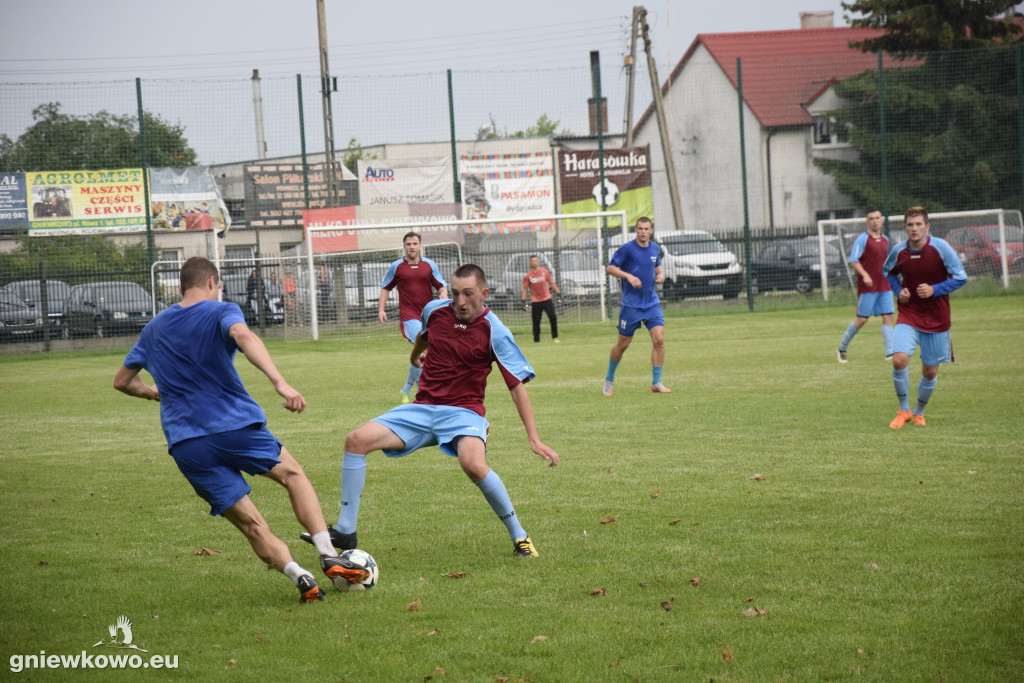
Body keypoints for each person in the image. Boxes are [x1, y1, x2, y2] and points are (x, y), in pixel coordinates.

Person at [113, 256, 361, 602]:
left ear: (183, 285)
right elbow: (243, 335)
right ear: (212, 281)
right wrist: (280, 382)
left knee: (251, 524)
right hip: (234, 426)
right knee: (293, 476)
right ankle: (325, 552)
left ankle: (299, 576)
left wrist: (152, 392)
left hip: (187, 444)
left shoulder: (153, 329)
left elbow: (122, 381)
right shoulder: (220, 310)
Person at [310, 264, 558, 558]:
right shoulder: (435, 310)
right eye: (455, 293)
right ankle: (346, 531)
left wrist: (534, 438)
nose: (460, 301)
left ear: (484, 293)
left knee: (473, 464)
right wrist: (415, 357)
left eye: (467, 294)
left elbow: (516, 386)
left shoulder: (496, 331)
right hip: (422, 408)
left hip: (464, 413)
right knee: (356, 440)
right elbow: (424, 336)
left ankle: (520, 537)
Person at [882, 207, 967, 428]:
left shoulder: (941, 248)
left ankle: (919, 412)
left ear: (927, 227)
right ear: (905, 228)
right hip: (909, 313)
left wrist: (935, 289)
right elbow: (888, 273)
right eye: (910, 225)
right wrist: (899, 290)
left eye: (918, 224)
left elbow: (961, 277)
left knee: (929, 371)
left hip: (937, 317)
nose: (914, 228)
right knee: (899, 359)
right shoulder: (899, 251)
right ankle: (903, 410)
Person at [602, 217, 670, 396]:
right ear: (636, 230)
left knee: (659, 340)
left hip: (652, 304)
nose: (643, 232)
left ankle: (656, 382)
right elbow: (610, 268)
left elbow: (657, 266)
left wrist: (661, 274)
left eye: (646, 229)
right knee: (622, 345)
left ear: (651, 231)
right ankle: (609, 378)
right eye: (640, 228)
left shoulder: (655, 248)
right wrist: (628, 276)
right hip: (631, 306)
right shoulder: (627, 249)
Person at [378, 232, 448, 403]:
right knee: (423, 351)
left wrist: (443, 295)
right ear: (404, 247)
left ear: (420, 246)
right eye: (408, 244)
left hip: (427, 316)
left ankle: (405, 390)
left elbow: (441, 286)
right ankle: (423, 391)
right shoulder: (397, 267)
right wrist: (381, 309)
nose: (411, 247)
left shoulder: (429, 265)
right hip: (409, 317)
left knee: (422, 353)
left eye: (414, 243)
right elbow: (385, 288)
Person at [837, 208, 895, 363]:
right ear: (867, 221)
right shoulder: (862, 239)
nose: (875, 221)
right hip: (868, 287)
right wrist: (865, 275)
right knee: (862, 319)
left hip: (884, 285)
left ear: (881, 220)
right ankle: (842, 348)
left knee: (888, 316)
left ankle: (890, 352)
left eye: (877, 218)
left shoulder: (885, 240)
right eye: (871, 218)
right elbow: (853, 260)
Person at [521, 255, 562, 343]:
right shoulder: (528, 276)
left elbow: (551, 283)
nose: (534, 262)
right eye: (532, 261)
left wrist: (559, 294)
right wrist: (523, 301)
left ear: (538, 261)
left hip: (547, 299)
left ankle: (555, 337)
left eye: (536, 260)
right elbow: (524, 289)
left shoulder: (545, 272)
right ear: (530, 262)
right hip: (536, 301)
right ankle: (536, 339)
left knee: (553, 317)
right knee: (536, 321)